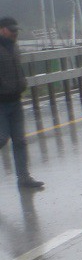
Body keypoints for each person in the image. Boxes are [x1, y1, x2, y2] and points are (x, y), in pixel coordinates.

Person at [0, 17, 43, 190]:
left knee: (20, 140)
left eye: (16, 30)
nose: (15, 33)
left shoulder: (14, 47)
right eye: (12, 30)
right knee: (1, 138)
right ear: (2, 29)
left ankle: (24, 178)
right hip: (1, 102)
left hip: (15, 100)